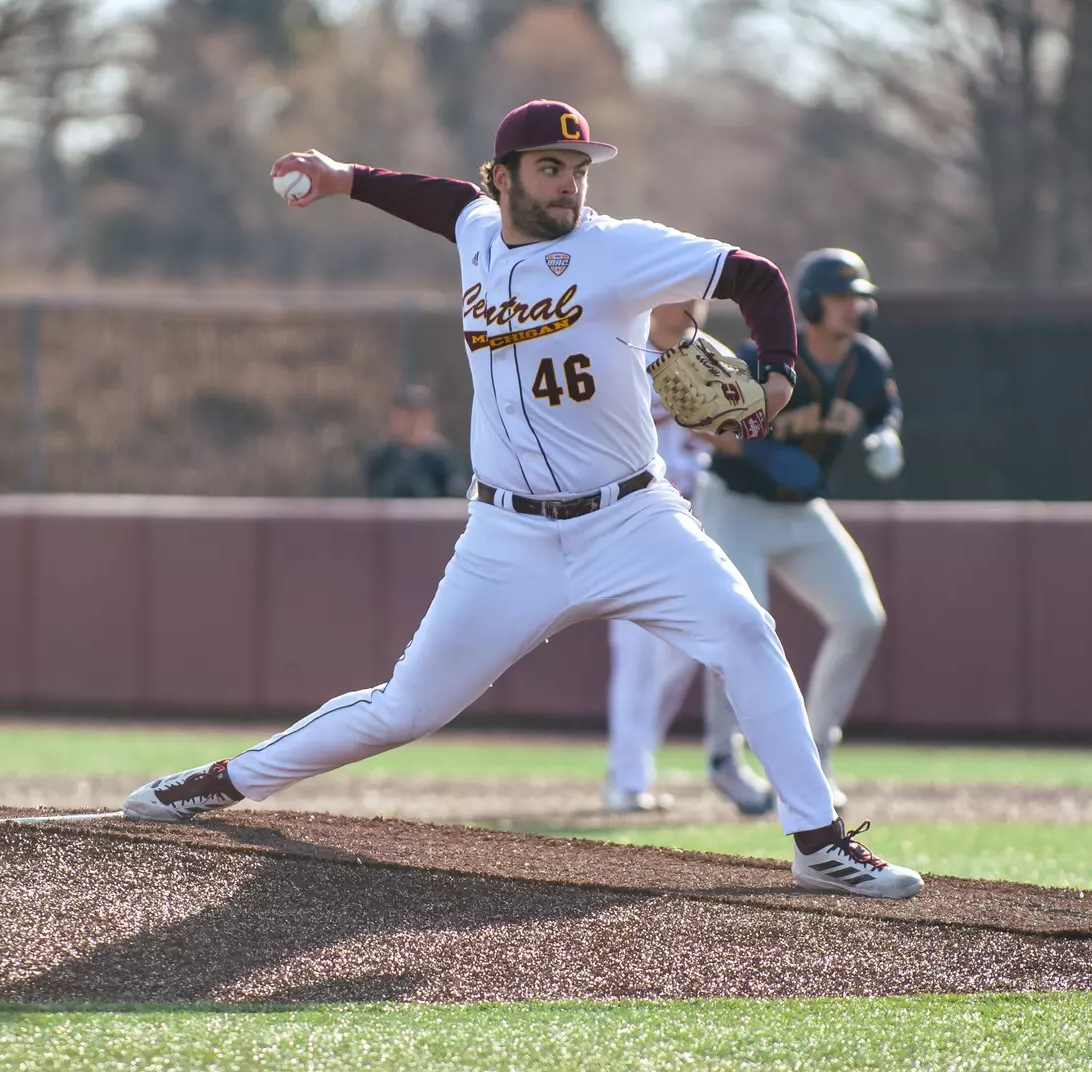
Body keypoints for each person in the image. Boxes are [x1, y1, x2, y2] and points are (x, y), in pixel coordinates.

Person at [121, 101, 923, 900]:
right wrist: (344, 180)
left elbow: (756, 277)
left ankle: (819, 843)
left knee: (747, 632)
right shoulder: (477, 230)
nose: (569, 184)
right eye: (550, 168)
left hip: (631, 518)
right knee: (405, 709)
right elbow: (437, 200)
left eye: (577, 170)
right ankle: (221, 781)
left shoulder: (619, 250)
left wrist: (778, 373)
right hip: (507, 537)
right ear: (501, 179)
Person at [695, 248, 903, 812]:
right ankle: (723, 756)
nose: (852, 309)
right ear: (810, 303)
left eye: (858, 298)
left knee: (861, 619)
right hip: (737, 501)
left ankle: (815, 750)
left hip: (802, 508)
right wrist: (757, 454)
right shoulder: (766, 354)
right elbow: (705, 414)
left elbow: (884, 408)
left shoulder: (868, 361)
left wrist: (887, 436)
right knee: (740, 627)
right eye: (840, 298)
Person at [601, 298, 774, 817]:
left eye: (693, 294)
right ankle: (628, 780)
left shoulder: (706, 355)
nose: (687, 304)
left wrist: (728, 427)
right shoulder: (618, 353)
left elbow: (743, 430)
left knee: (684, 655)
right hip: (631, 518)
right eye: (675, 293)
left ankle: (633, 767)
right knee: (637, 655)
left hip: (697, 515)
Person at [364, 383, 466, 498]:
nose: (410, 421)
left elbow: (454, 498)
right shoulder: (381, 456)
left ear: (429, 418)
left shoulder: (442, 457)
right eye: (405, 414)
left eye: (416, 414)